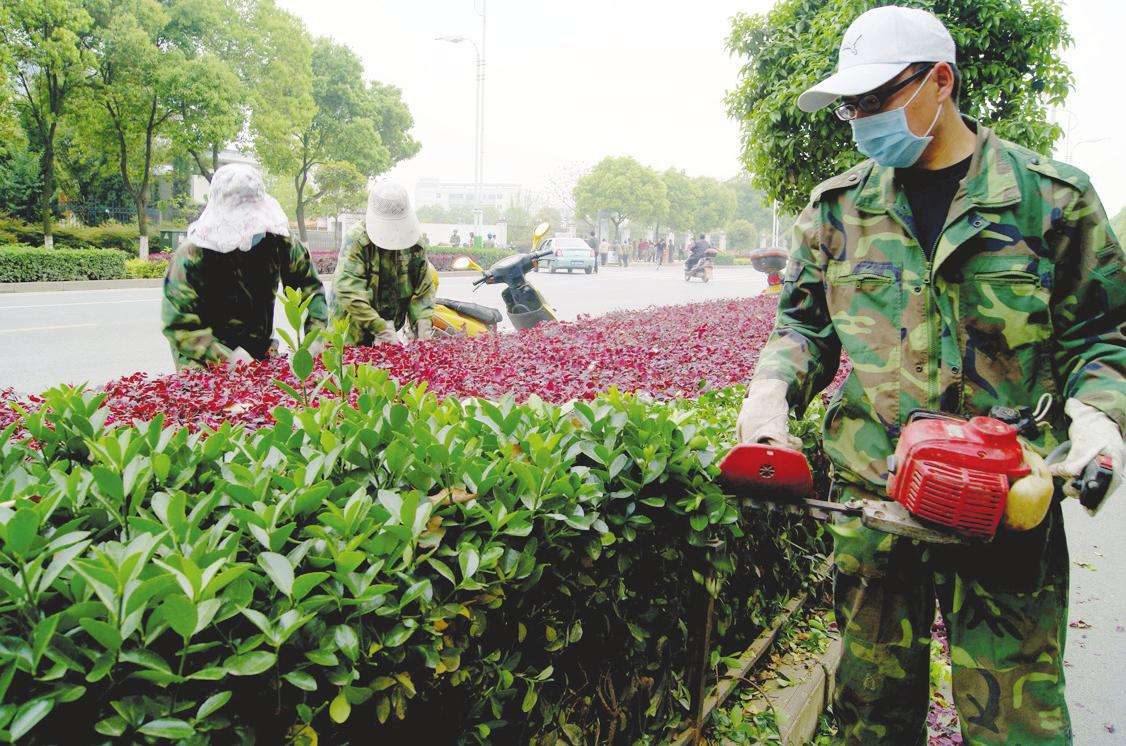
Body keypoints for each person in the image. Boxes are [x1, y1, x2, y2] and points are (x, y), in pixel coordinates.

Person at [735, 6, 1125, 744]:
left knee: (1018, 721)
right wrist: (771, 393)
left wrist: (1100, 417)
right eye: (849, 105)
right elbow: (803, 327)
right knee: (871, 714)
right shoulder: (838, 208)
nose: (858, 118)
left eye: (874, 99)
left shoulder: (1052, 200)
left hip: (1007, 501)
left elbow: (1104, 336)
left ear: (938, 82)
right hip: (876, 499)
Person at [162, 163, 327, 370]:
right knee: (208, 398)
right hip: (202, 353)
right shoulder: (193, 253)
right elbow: (178, 325)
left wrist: (315, 339)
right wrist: (226, 358)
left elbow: (311, 288)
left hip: (258, 345)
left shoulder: (279, 240)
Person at [330, 180, 436, 345]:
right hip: (351, 331)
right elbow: (349, 290)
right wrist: (380, 328)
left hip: (390, 326)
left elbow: (424, 289)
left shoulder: (414, 243)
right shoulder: (357, 240)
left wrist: (423, 324)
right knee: (350, 367)